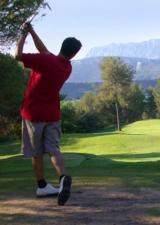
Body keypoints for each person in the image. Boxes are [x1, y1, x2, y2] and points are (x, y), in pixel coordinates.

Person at [15, 22, 82, 206]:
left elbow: (17, 56)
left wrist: (23, 33)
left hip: (33, 113)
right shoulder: (66, 67)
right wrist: (32, 31)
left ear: (61, 45)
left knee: (37, 153)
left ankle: (42, 185)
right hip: (53, 114)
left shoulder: (46, 61)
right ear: (73, 54)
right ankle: (62, 178)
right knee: (53, 149)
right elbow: (45, 51)